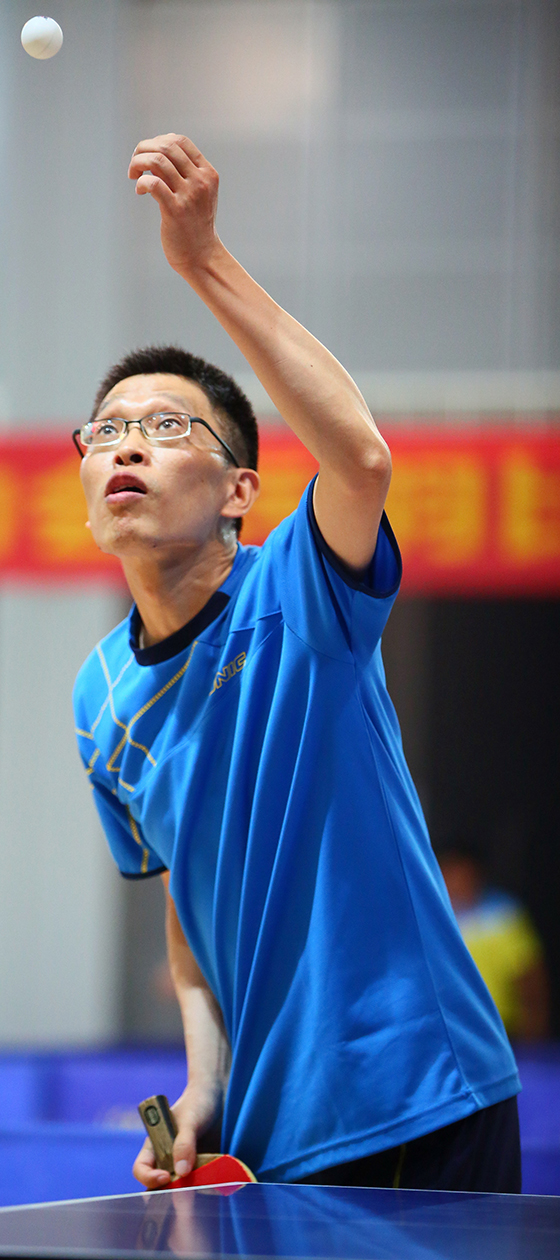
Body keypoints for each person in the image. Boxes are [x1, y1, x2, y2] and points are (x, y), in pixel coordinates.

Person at [72, 134, 521, 1192]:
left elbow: (359, 459)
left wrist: (201, 260)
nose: (127, 444)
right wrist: (203, 1085)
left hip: (414, 1089)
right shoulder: (100, 695)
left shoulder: (297, 591)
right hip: (271, 1127)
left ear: (240, 491)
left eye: (168, 426)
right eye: (107, 430)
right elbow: (190, 898)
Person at [437, 839, 550, 1042]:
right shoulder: (431, 918)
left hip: (502, 1031)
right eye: (450, 874)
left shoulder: (503, 914)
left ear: (477, 875)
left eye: (464, 874)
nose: (457, 882)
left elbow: (529, 975)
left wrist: (533, 1030)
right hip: (449, 1032)